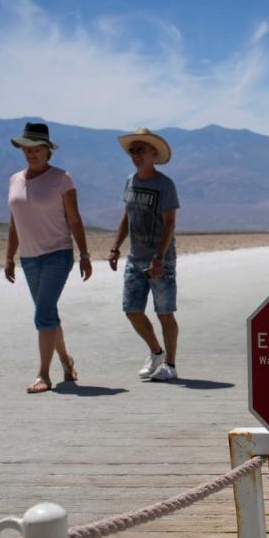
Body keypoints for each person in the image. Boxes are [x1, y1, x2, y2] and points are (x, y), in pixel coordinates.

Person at [4, 122, 93, 393]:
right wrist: (9, 256)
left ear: (47, 151)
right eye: (26, 148)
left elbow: (74, 219)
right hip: (29, 257)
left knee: (42, 314)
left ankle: (43, 375)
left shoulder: (61, 178)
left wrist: (85, 254)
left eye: (37, 149)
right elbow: (14, 221)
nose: (31, 153)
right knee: (49, 315)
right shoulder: (15, 179)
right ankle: (66, 360)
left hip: (57, 253)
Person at [108, 127, 180, 382]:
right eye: (133, 150)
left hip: (160, 260)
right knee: (132, 310)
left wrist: (159, 257)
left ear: (153, 153)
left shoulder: (165, 185)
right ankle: (156, 352)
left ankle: (170, 365)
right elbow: (127, 215)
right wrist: (116, 247)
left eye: (141, 150)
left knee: (164, 312)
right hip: (135, 258)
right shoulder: (130, 181)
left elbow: (170, 223)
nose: (136, 155)